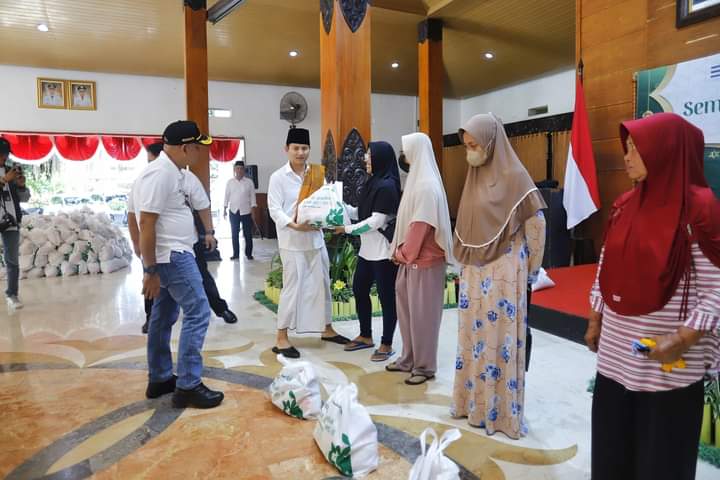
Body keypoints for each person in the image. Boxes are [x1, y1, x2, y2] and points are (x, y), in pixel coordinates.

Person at [585, 113, 720, 480]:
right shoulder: (626, 204)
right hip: (616, 358)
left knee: (660, 461)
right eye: (626, 148)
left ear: (665, 151)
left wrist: (682, 338)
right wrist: (597, 317)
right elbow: (605, 265)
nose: (627, 157)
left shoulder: (698, 206)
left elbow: (716, 288)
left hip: (666, 368)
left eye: (636, 149)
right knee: (613, 454)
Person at [450, 113, 547, 439]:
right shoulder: (474, 176)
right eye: (467, 145)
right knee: (474, 341)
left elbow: (537, 227)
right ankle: (472, 405)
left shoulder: (515, 176)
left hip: (505, 276)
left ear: (492, 142)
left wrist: (529, 270)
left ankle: (501, 415)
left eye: (474, 144)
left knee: (498, 340)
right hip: (475, 277)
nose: (470, 151)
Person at [132, 120, 223, 409]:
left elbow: (201, 203)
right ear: (185, 147)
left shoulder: (177, 173)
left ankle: (160, 378)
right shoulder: (159, 176)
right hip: (171, 256)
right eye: (196, 148)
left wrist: (207, 231)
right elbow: (144, 221)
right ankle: (188, 385)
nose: (198, 153)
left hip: (174, 253)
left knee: (164, 316)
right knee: (198, 311)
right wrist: (150, 269)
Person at [129, 142, 237, 335]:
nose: (151, 165)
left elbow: (203, 205)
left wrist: (209, 233)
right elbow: (135, 217)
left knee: (202, 280)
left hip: (188, 245)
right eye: (149, 161)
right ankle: (150, 319)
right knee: (157, 290)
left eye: (152, 160)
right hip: (158, 248)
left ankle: (220, 308)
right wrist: (138, 245)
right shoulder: (145, 179)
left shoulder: (186, 178)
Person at [267, 127, 350, 358]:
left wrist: (330, 218)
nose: (300, 152)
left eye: (304, 148)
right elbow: (274, 209)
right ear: (287, 149)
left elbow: (323, 202)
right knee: (292, 289)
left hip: (315, 239)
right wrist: (295, 226)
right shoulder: (277, 177)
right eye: (296, 148)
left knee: (323, 284)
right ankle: (281, 338)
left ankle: (327, 329)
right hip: (292, 241)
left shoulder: (316, 174)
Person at [386, 132, 453, 385]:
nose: (404, 156)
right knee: (408, 314)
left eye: (406, 150)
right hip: (409, 262)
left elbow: (421, 225)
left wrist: (402, 254)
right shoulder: (417, 181)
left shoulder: (426, 185)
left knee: (423, 317)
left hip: (423, 263)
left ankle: (424, 367)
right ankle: (408, 358)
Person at [336, 141, 401, 362]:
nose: (365, 158)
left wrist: (346, 229)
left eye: (369, 155)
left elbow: (376, 221)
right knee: (359, 289)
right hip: (367, 251)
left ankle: (387, 342)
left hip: (383, 253)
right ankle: (365, 335)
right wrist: (336, 203)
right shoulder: (372, 182)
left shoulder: (388, 186)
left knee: (386, 298)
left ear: (381, 158)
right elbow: (360, 212)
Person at [0, 138, 31, 313]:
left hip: (11, 222)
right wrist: (4, 179)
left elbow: (25, 198)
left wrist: (21, 186)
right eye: (2, 155)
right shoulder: (6, 174)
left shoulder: (10, 171)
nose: (4, 158)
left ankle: (12, 293)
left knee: (12, 260)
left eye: (6, 154)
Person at [223, 160, 257, 260]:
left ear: (244, 170)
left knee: (248, 234)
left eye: (241, 169)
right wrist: (224, 208)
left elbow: (253, 197)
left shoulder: (249, 182)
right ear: (234, 170)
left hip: (246, 211)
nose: (239, 170)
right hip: (234, 211)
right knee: (234, 233)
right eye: (237, 168)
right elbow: (226, 196)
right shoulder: (230, 182)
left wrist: (253, 211)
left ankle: (249, 253)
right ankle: (236, 254)